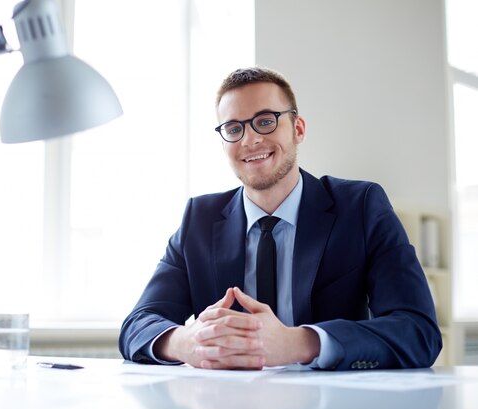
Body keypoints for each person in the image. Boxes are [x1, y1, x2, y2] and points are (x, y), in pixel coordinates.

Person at [118, 67, 442, 370]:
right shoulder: (198, 220)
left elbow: (418, 331)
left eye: (265, 121)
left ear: (297, 129)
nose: (249, 140)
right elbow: (138, 323)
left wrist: (300, 343)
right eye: (233, 128)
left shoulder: (360, 207)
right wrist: (187, 342)